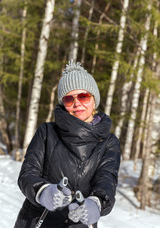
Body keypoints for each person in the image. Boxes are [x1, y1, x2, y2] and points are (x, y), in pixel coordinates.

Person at [14, 60, 121, 228]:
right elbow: (27, 174)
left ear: (94, 100)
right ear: (63, 103)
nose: (77, 103)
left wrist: (96, 204)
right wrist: (43, 192)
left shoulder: (109, 143)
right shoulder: (47, 132)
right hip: (36, 222)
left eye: (83, 96)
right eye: (69, 99)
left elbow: (106, 180)